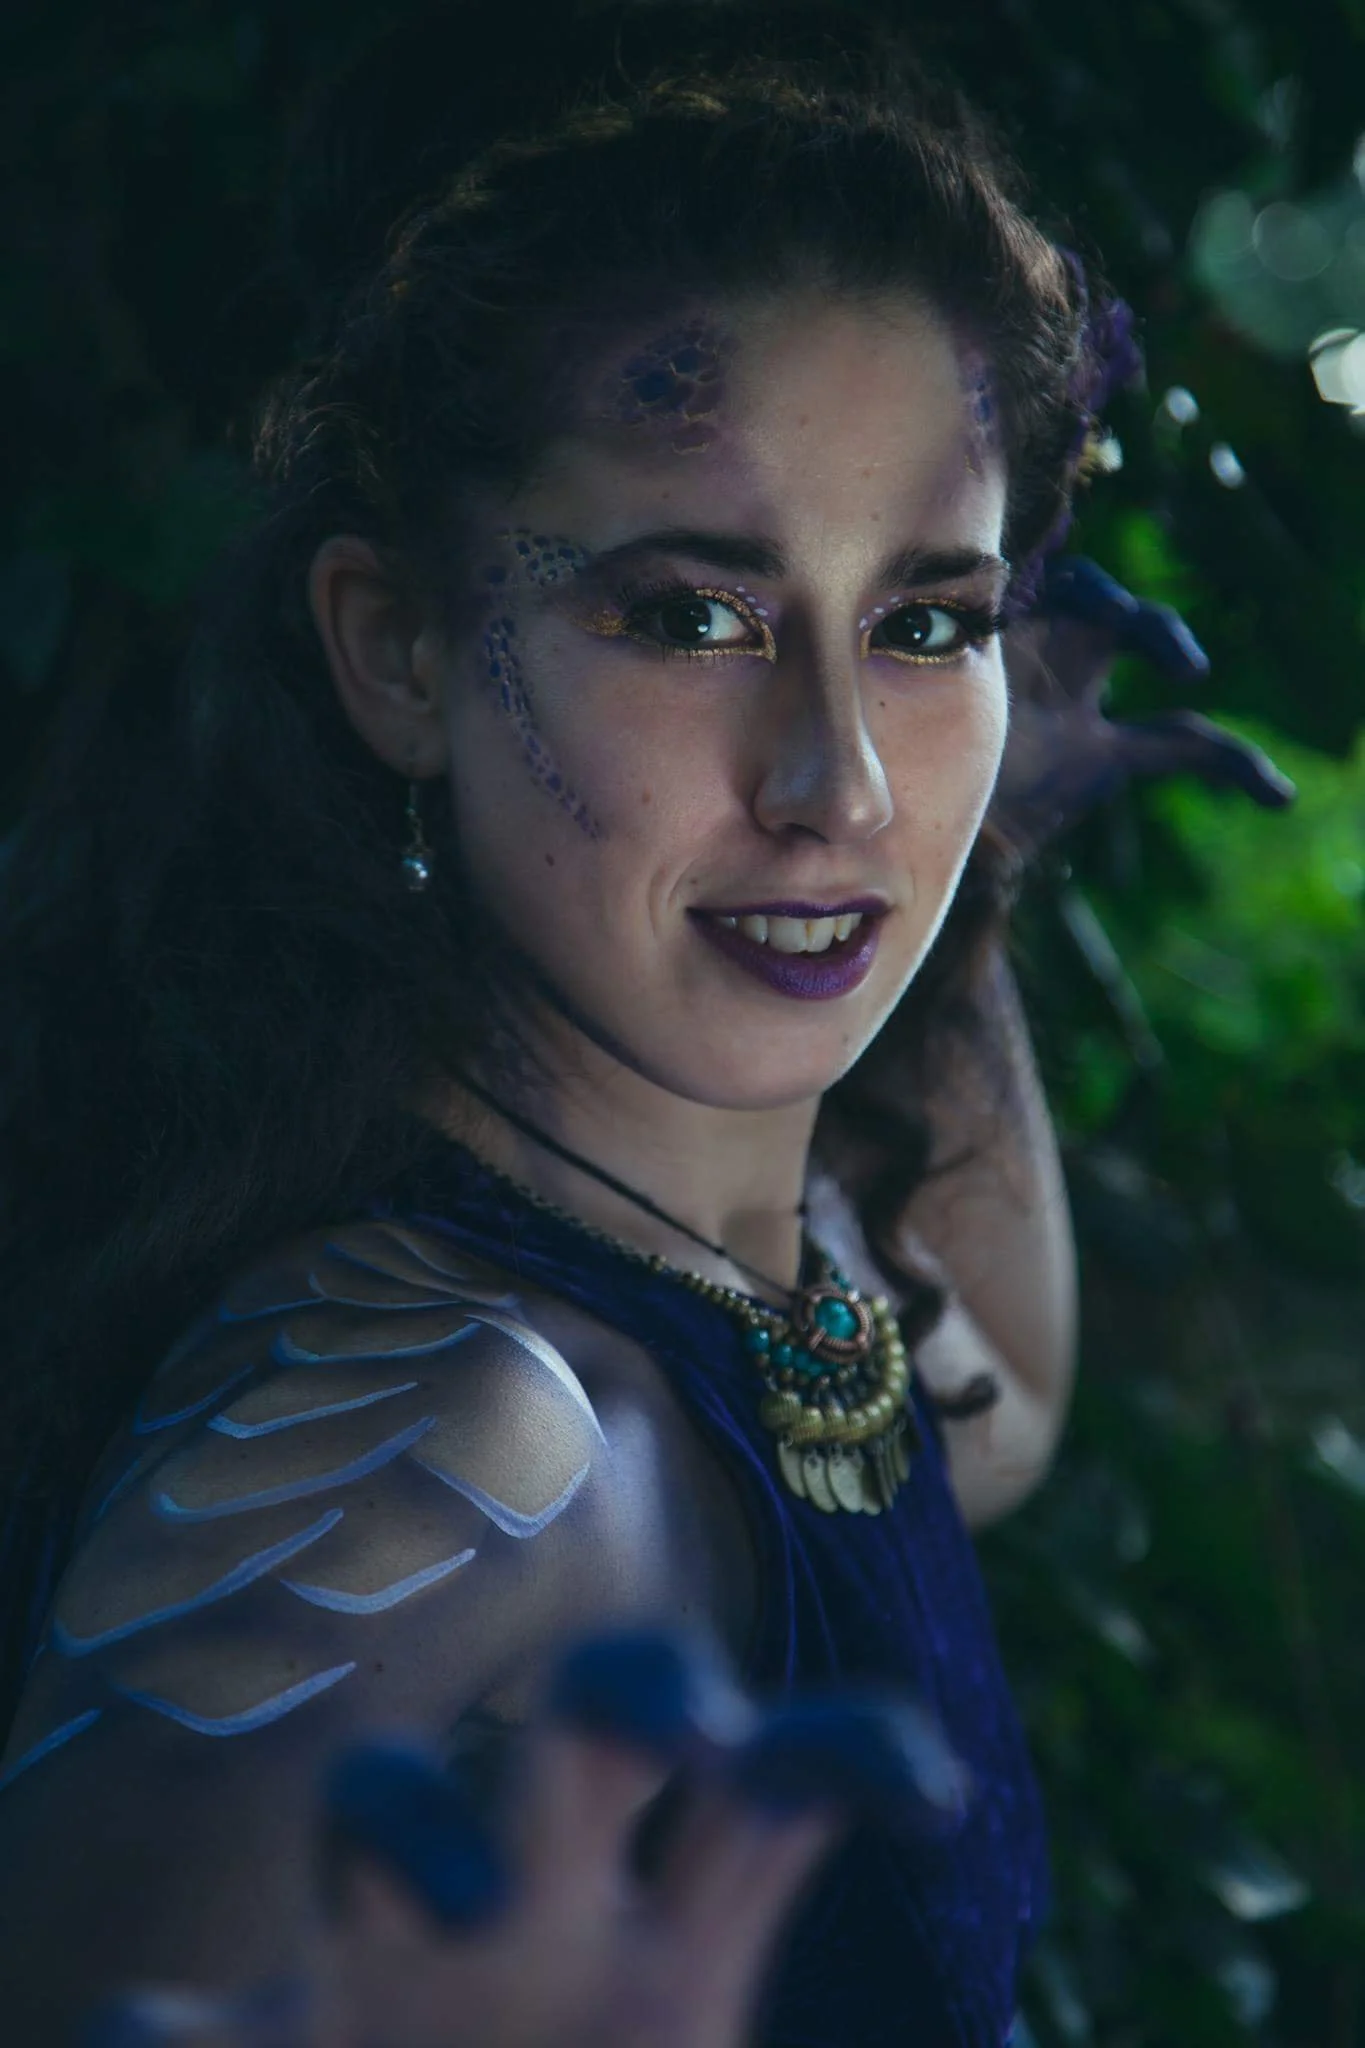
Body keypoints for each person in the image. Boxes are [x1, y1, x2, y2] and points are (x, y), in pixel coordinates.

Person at [0, 4, 1293, 2043]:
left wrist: (975, 869)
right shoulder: (447, 1431)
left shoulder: (783, 1292)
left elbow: (1001, 1416)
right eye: (691, 614)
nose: (839, 780)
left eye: (925, 621)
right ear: (400, 652)